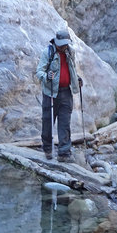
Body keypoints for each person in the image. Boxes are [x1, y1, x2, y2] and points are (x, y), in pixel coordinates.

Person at [36, 29, 83, 162]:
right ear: (56, 42)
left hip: (66, 92)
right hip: (50, 93)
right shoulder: (48, 52)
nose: (64, 46)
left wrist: (77, 79)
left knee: (65, 123)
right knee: (48, 121)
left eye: (65, 44)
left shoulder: (70, 51)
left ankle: (64, 153)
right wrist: (46, 76)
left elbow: (71, 68)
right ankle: (47, 149)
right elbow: (39, 71)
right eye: (62, 44)